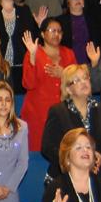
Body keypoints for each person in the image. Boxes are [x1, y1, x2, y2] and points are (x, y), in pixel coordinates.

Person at [41, 63, 101, 180]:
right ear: (68, 89)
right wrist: (71, 161)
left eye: (85, 78)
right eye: (77, 80)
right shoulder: (58, 112)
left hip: (93, 177)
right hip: (64, 178)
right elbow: (48, 148)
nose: (83, 82)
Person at [21, 18, 77, 151]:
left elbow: (78, 85)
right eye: (52, 30)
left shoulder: (69, 54)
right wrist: (33, 57)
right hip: (37, 115)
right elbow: (28, 84)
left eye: (59, 31)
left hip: (63, 115)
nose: (56, 34)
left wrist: (64, 74)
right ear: (42, 34)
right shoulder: (33, 52)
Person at [58, 0, 101, 65]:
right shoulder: (60, 21)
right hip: (68, 65)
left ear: (84, 1)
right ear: (68, 3)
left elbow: (98, 43)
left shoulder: (93, 20)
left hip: (90, 63)